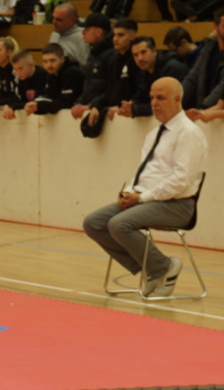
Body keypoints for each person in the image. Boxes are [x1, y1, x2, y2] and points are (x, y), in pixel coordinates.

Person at [81, 76, 207, 298]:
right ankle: (151, 268)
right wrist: (130, 192)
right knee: (94, 223)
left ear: (177, 100)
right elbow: (146, 173)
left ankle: (164, 267)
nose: (154, 103)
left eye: (161, 98)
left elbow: (181, 181)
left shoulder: (188, 133)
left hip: (178, 205)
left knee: (119, 224)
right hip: (148, 199)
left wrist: (141, 198)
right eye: (151, 98)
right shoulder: (154, 133)